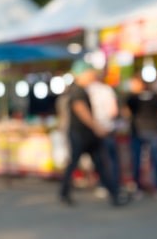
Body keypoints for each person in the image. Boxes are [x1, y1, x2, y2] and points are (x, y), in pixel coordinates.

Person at [59, 61, 126, 207]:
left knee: (100, 164)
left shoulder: (82, 89)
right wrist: (96, 127)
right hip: (80, 134)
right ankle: (64, 192)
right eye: (90, 73)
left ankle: (114, 194)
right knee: (76, 164)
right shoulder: (77, 90)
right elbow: (81, 110)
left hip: (86, 134)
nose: (92, 76)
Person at [125, 76, 157, 198]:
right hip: (152, 130)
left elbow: (127, 113)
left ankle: (139, 187)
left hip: (139, 131)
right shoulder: (155, 97)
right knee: (155, 159)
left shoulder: (132, 98)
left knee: (138, 160)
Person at [86, 77, 120, 198]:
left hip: (93, 129)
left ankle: (103, 184)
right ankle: (114, 185)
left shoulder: (87, 90)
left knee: (99, 160)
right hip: (107, 128)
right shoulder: (107, 90)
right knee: (110, 159)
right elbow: (113, 111)